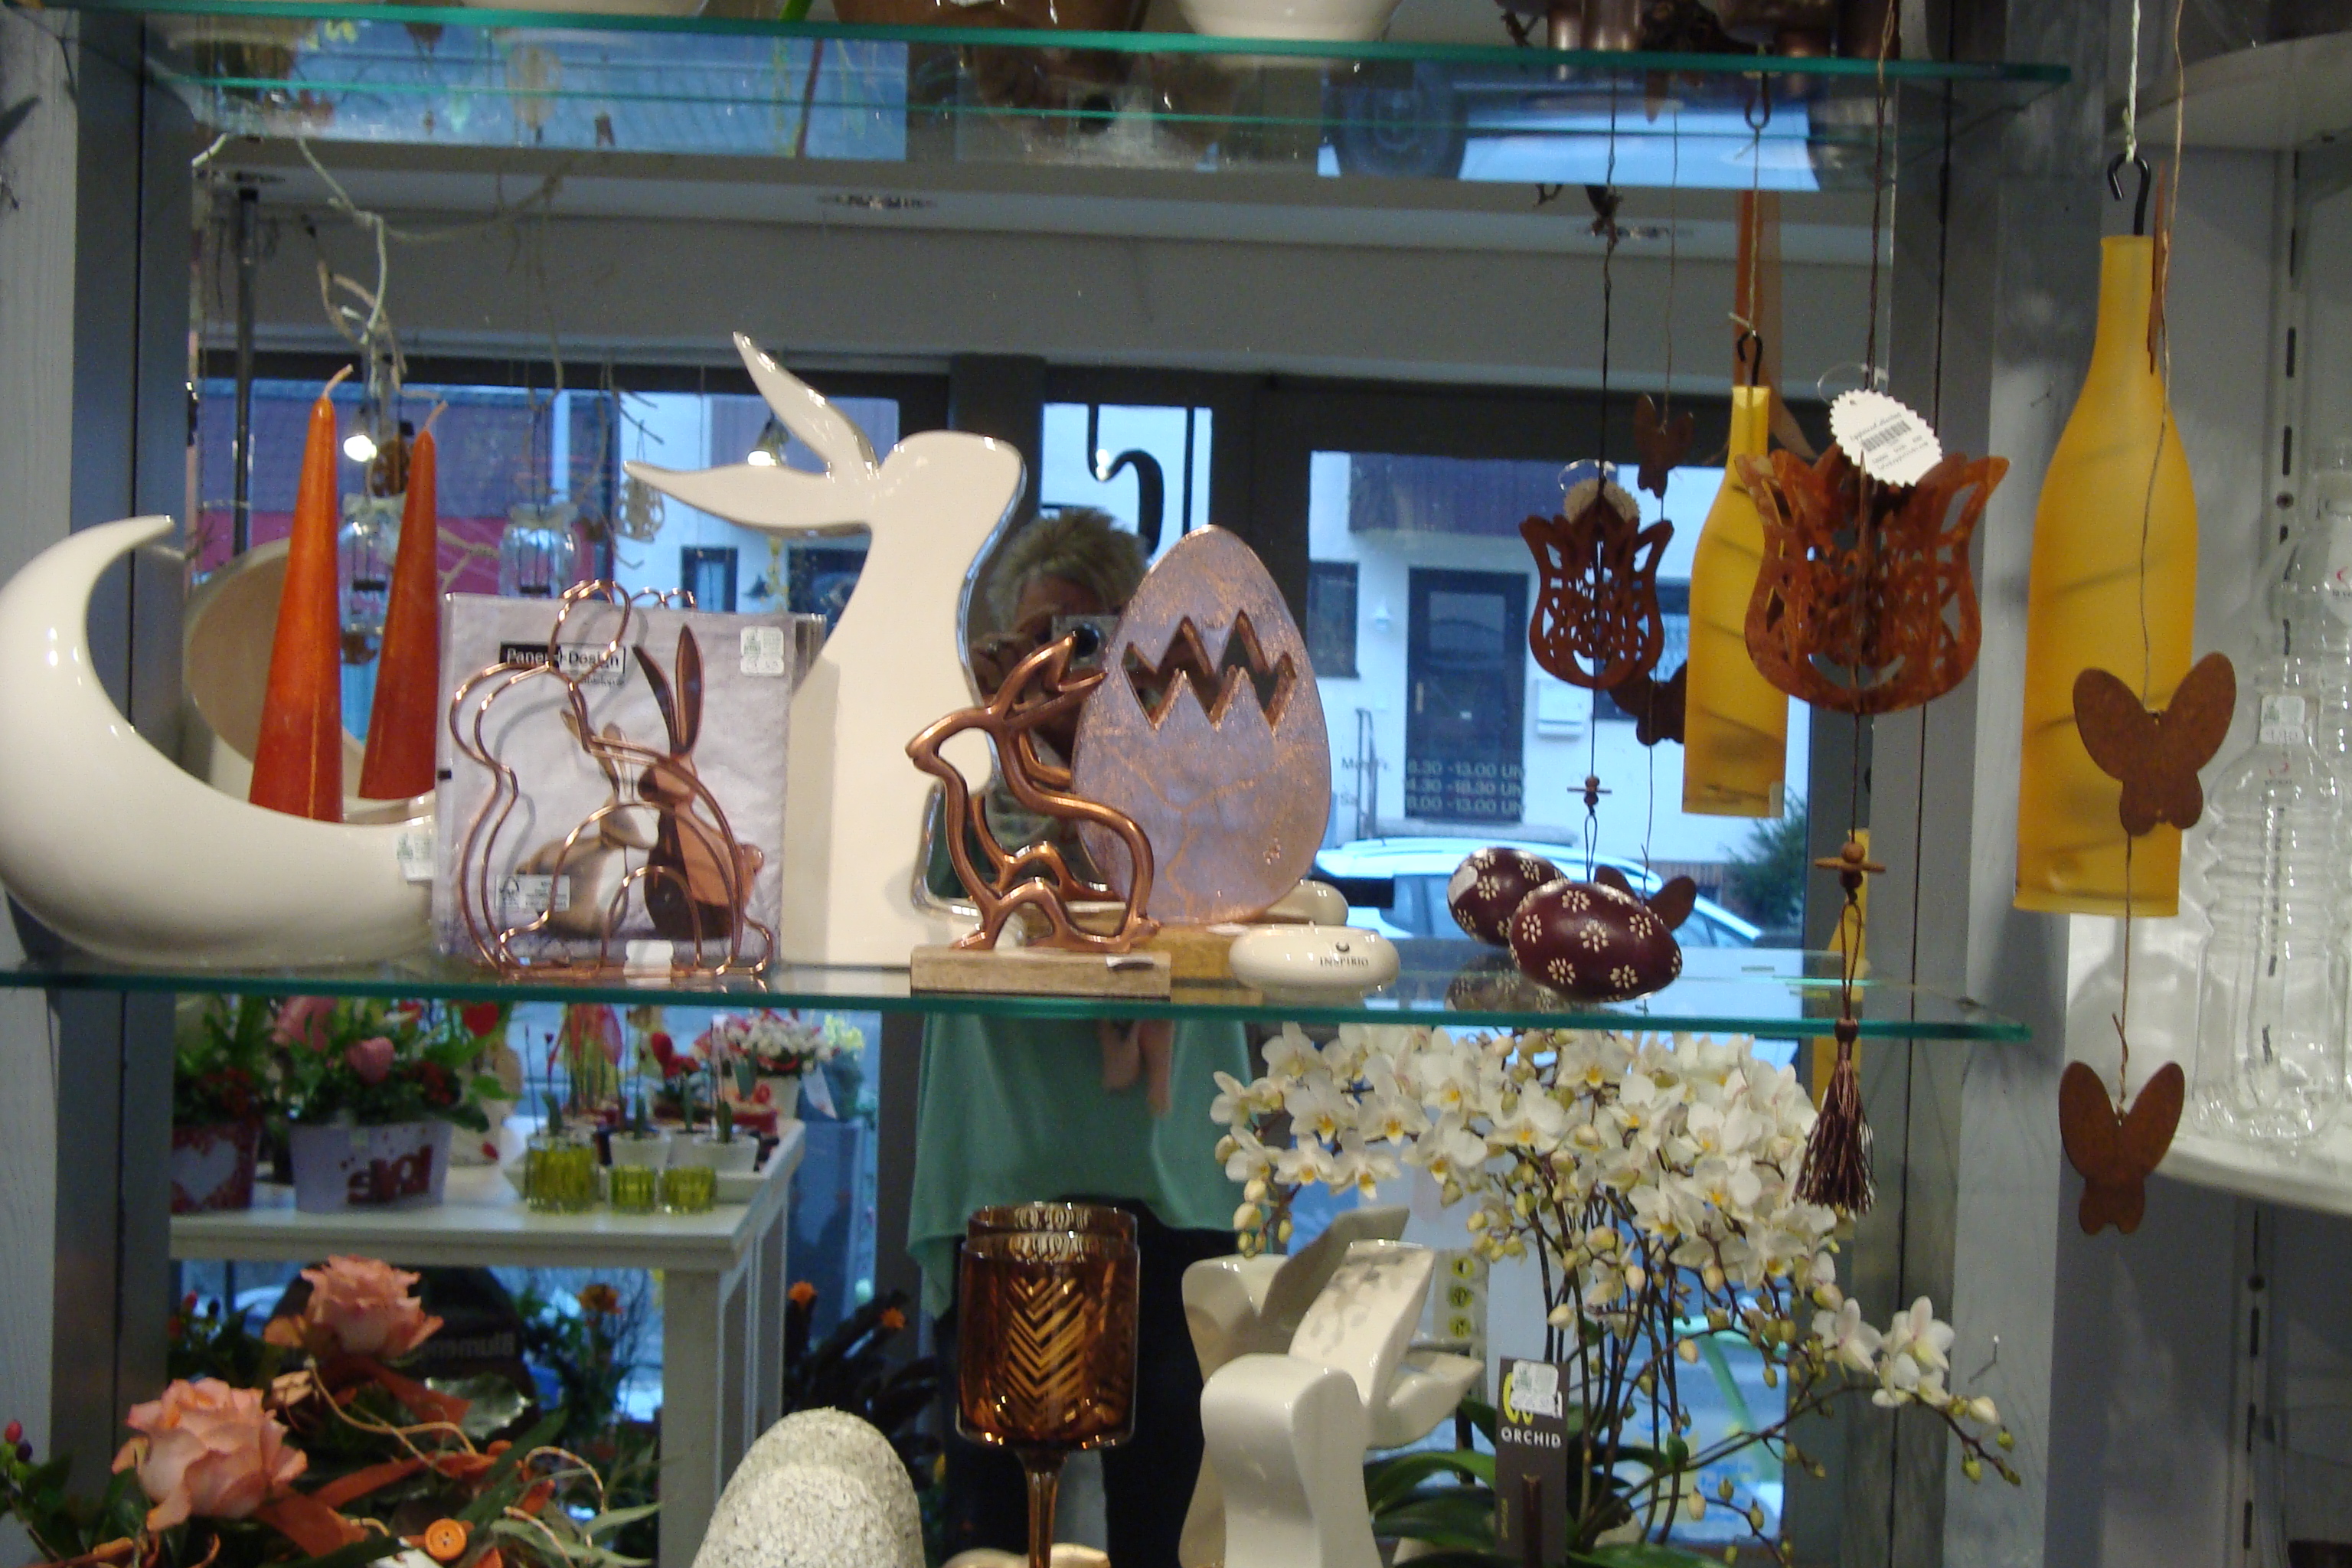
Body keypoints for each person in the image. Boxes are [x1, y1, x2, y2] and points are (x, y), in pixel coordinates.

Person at [909, 508, 1246, 1568]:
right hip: (1009, 1168)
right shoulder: (979, 768)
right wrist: (1012, 736)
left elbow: (1234, 886)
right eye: (1047, 640)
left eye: (1094, 636)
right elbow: (937, 892)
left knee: (1170, 1502)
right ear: (1006, 651)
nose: (1071, 665)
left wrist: (1141, 741)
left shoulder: (1195, 756)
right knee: (999, 1510)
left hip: (1169, 1184)